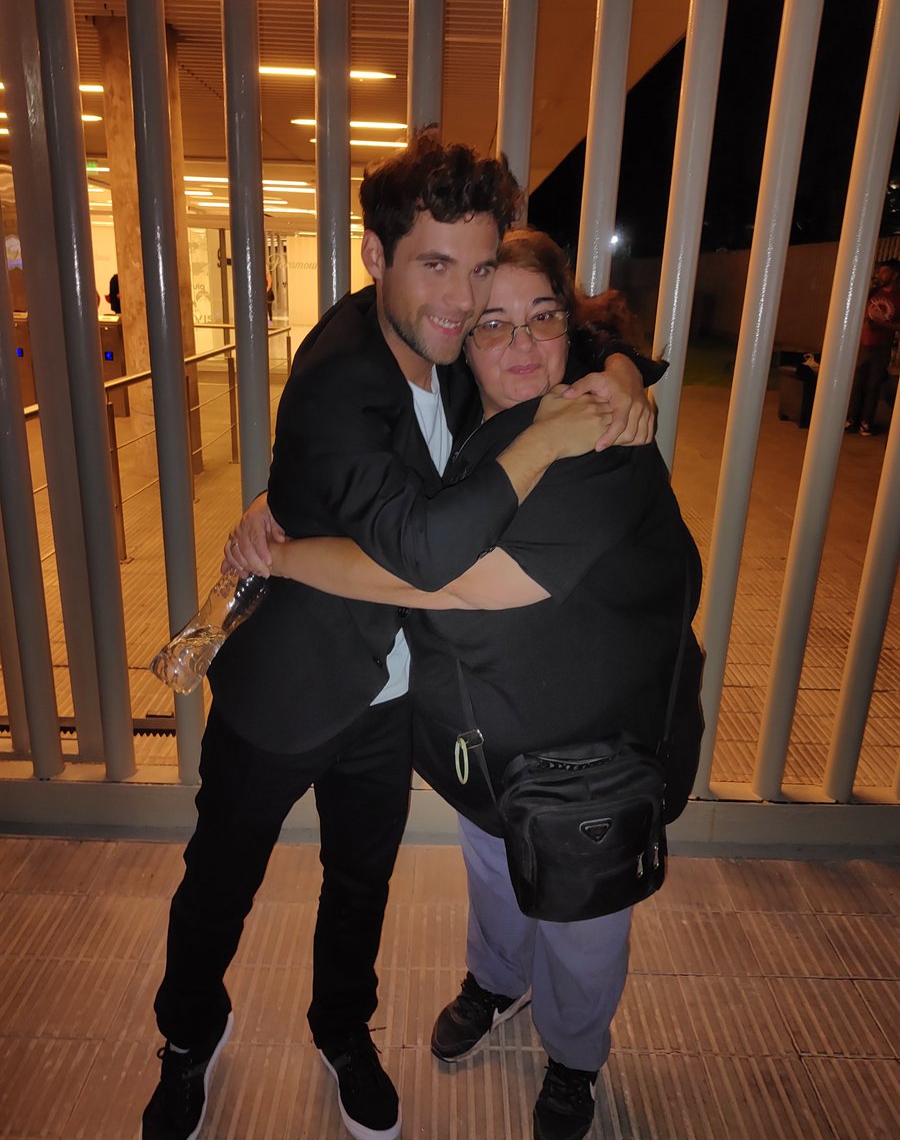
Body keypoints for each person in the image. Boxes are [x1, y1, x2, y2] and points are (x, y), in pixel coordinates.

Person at [142, 134, 657, 1140]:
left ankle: (343, 1030)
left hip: (393, 696)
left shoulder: (451, 341)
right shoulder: (339, 376)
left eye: (478, 267)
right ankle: (188, 1034)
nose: (463, 300)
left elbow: (575, 333)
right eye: (435, 265)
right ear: (377, 257)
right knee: (221, 880)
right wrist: (552, 439)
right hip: (291, 682)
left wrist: (625, 376)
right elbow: (424, 552)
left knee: (361, 882)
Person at [266, 229, 702, 1140]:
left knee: (583, 925)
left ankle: (574, 1057)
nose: (520, 344)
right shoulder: (470, 407)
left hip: (590, 761)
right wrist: (282, 502)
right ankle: (498, 981)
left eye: (542, 317)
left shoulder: (601, 442)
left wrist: (288, 557)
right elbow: (379, 478)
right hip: (487, 740)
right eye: (492, 323)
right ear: (464, 341)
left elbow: (452, 581)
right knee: (495, 874)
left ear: (569, 325)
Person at [845, 258, 900, 435]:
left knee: (873, 385)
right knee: (857, 383)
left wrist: (881, 324)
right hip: (864, 343)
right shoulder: (873, 292)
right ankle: (851, 419)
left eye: (884, 272)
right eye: (880, 272)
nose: (880, 275)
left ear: (894, 275)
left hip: (882, 347)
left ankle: (866, 422)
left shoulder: (897, 297)